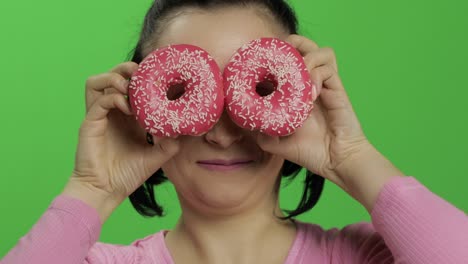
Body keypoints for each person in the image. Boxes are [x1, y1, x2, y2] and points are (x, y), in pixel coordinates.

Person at [2, 0, 468, 263]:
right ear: (140, 110)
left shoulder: (366, 258)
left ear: (304, 99)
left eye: (255, 91)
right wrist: (93, 188)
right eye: (191, 96)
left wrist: (351, 153)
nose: (223, 134)